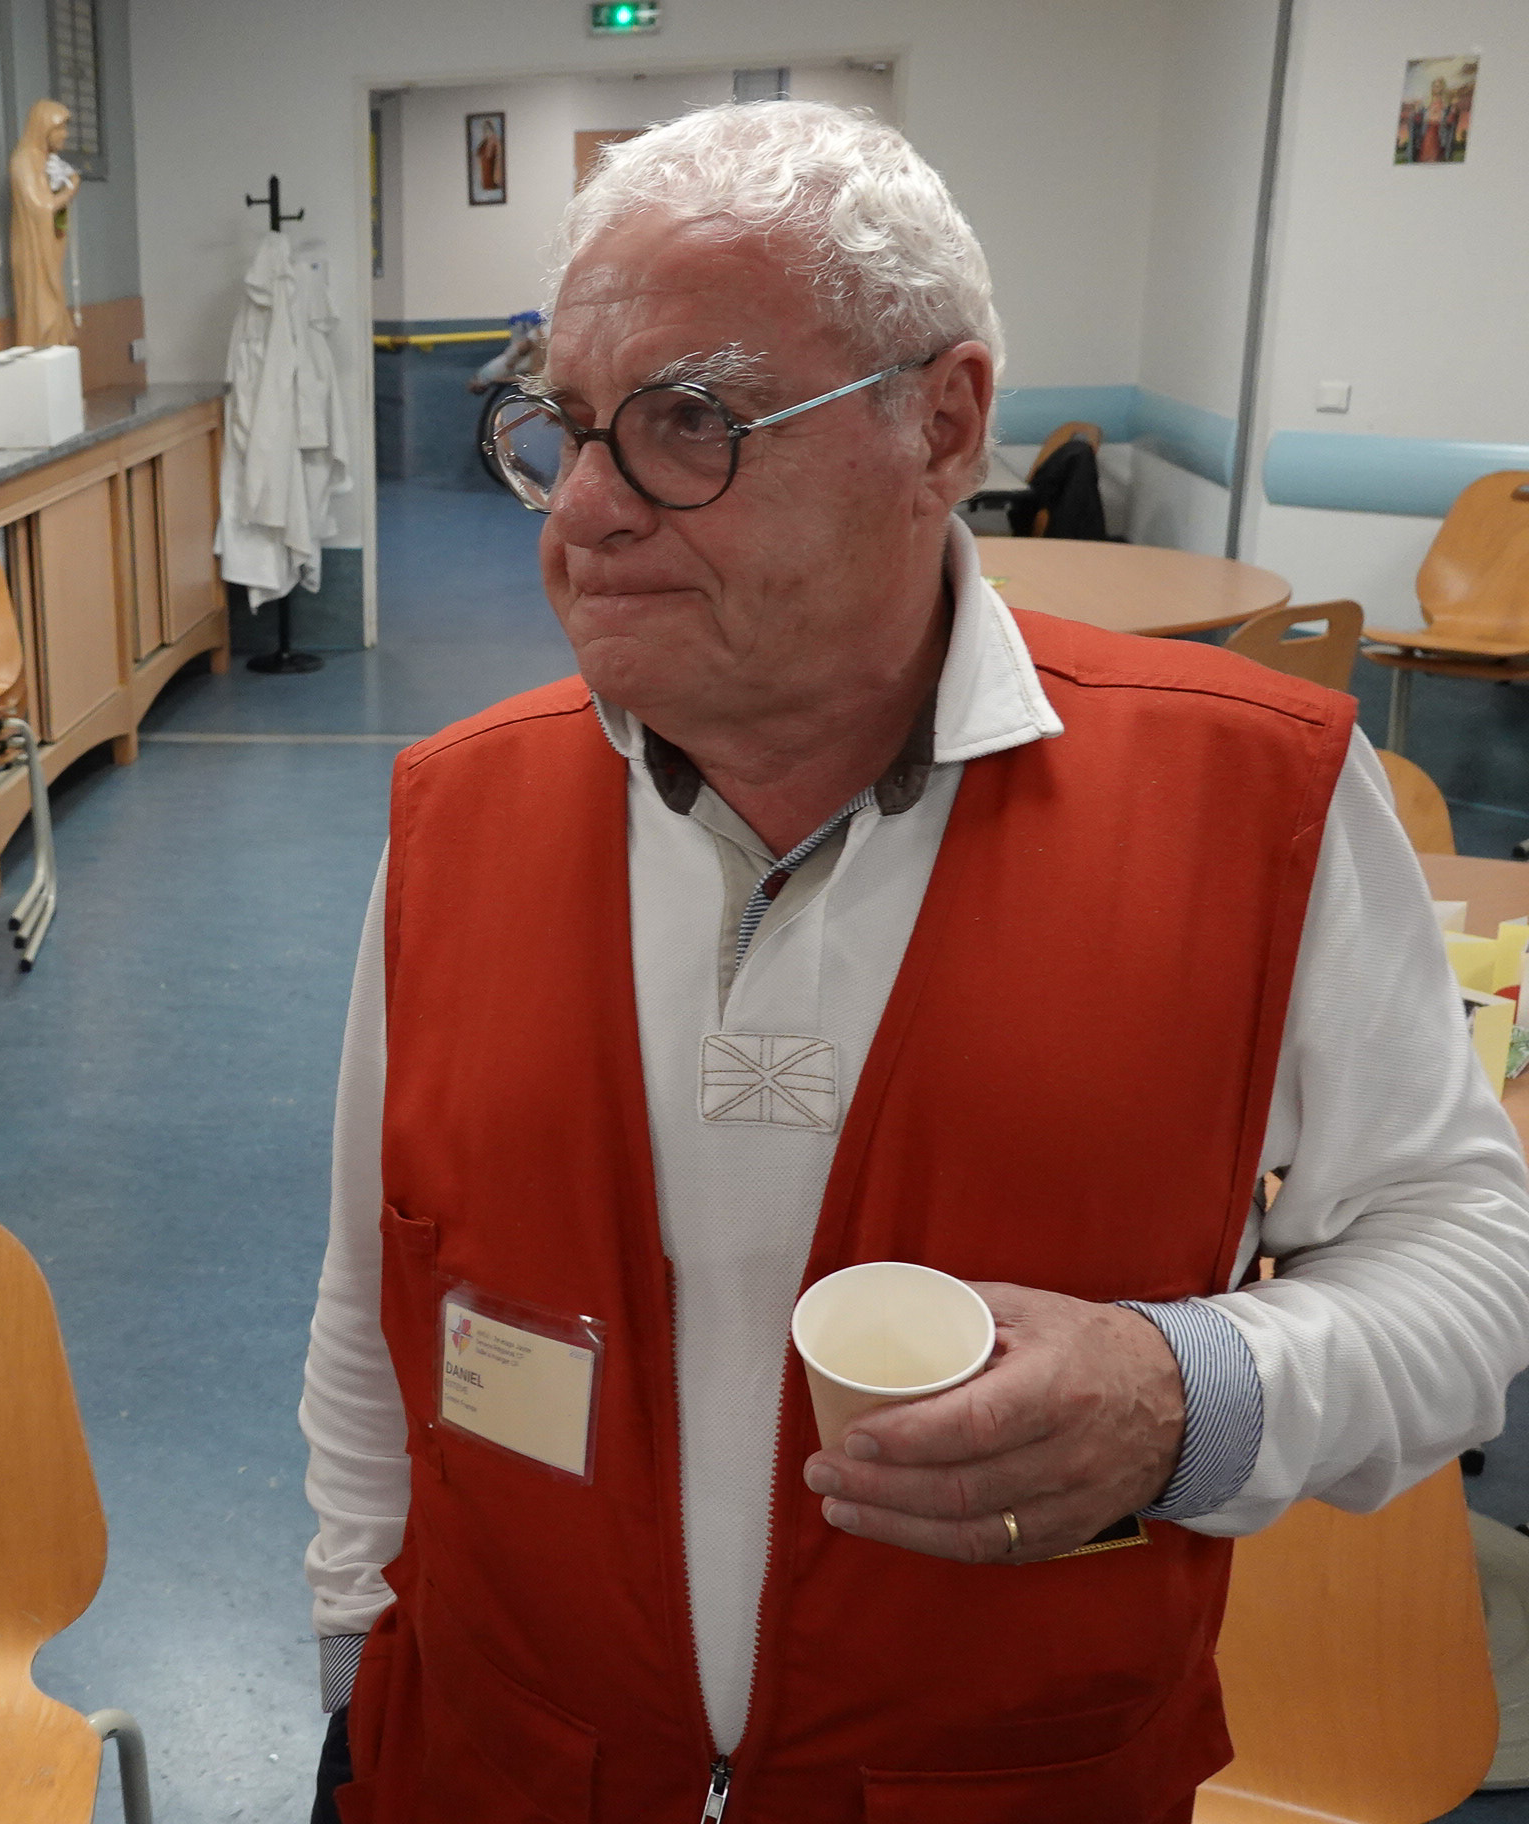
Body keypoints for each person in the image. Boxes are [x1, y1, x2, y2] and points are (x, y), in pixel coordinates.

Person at [299, 99, 1529, 1822]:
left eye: (689, 422)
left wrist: (1189, 1396)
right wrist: (353, 1655)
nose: (581, 510)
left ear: (940, 422)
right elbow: (377, 1298)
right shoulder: (459, 811)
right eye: (564, 428)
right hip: (501, 1766)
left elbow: (1465, 1252)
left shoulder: (1254, 799)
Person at [9, 99, 80, 349]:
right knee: (42, 317)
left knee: (55, 315)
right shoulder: (24, 160)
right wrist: (70, 190)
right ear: (43, 128)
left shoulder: (46, 161)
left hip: (48, 254)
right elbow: (41, 207)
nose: (65, 135)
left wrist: (61, 186)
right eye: (59, 128)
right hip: (33, 256)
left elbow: (54, 215)